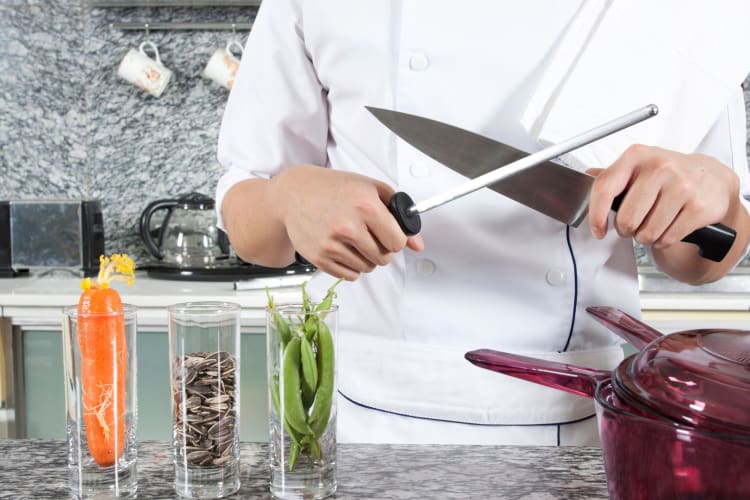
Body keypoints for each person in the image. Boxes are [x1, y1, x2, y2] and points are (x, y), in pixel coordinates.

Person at [216, 1, 750, 445]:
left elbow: (701, 261)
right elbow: (250, 224)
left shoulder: (685, 7)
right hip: (371, 417)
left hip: (576, 410)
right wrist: (286, 196)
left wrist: (714, 197)